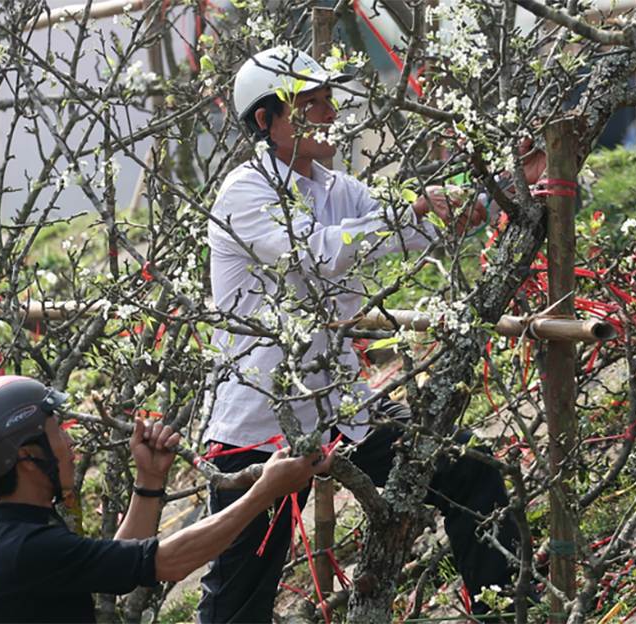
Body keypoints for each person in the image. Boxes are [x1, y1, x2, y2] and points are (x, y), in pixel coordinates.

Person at [198, 46, 545, 622]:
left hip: (343, 414)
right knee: (239, 594)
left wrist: (503, 185)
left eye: (329, 98)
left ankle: (504, 613)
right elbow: (321, 252)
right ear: (267, 121)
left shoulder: (336, 188)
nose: (333, 113)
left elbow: (418, 222)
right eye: (312, 103)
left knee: (471, 471)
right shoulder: (246, 192)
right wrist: (412, 212)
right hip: (263, 427)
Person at [0, 374, 335, 623]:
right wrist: (264, 491)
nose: (70, 443)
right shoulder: (26, 549)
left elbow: (120, 567)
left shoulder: (5, 532)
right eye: (58, 433)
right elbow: (170, 561)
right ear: (28, 458)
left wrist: (149, 479)